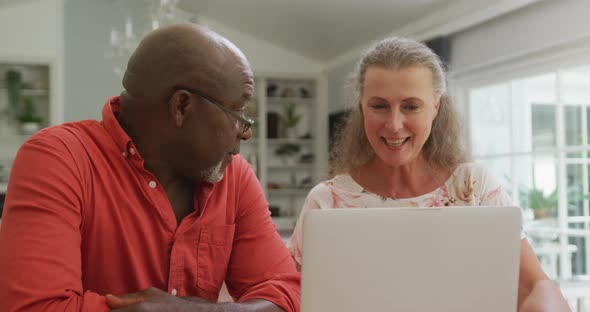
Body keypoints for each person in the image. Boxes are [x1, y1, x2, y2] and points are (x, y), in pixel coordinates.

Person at [0, 23, 299, 312]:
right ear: (181, 106)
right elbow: (35, 308)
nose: (246, 131)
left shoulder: (235, 177)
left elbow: (287, 293)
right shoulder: (59, 158)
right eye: (238, 110)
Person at [287, 37, 570, 311]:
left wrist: (548, 300)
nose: (394, 124)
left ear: (436, 107)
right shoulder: (326, 202)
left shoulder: (474, 186)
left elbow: (536, 285)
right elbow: (292, 294)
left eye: (411, 106)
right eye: (379, 105)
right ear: (362, 106)